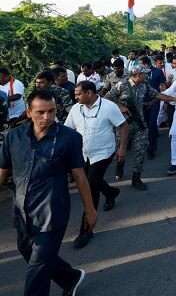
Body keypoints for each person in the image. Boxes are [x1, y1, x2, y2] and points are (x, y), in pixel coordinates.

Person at [0, 89, 96, 296]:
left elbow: (79, 175)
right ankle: (70, 278)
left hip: (52, 212)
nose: (47, 117)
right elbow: (3, 171)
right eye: (41, 112)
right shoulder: (13, 137)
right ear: (29, 112)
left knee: (38, 268)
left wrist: (90, 210)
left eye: (51, 111)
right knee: (27, 251)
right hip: (22, 210)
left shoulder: (69, 138)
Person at [64, 81, 127, 249]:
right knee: (94, 180)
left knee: (91, 184)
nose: (75, 96)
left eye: (78, 94)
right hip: (82, 154)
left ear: (89, 93)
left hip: (103, 152)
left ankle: (86, 230)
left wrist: (122, 149)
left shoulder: (108, 107)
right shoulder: (76, 109)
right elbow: (68, 130)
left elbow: (123, 126)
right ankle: (111, 192)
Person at [104, 65, 176, 190]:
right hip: (123, 124)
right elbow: (106, 98)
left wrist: (174, 99)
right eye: (145, 73)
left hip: (139, 124)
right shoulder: (122, 85)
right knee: (120, 151)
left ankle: (136, 177)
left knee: (140, 150)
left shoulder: (144, 85)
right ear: (137, 75)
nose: (147, 75)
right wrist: (119, 106)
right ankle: (119, 166)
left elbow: (157, 95)